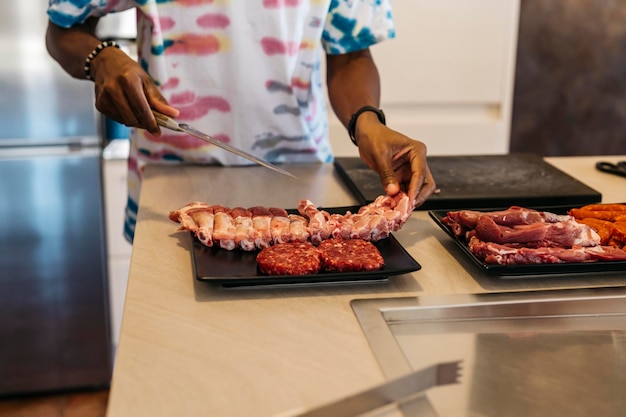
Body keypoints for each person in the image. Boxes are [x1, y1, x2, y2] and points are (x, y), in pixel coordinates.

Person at [46, 1, 437, 242]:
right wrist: (100, 58)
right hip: (173, 188)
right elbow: (63, 27)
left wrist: (366, 120)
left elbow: (350, 53)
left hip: (300, 185)